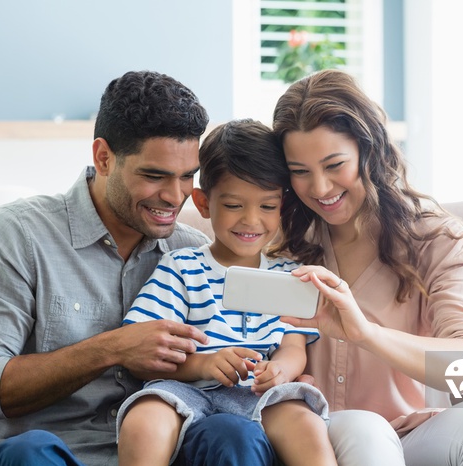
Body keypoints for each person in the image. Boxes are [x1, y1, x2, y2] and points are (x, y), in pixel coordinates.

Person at [0, 71, 279, 466]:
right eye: (154, 176)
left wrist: (283, 374)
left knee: (234, 432)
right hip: (56, 454)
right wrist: (112, 349)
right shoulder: (13, 235)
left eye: (186, 177)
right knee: (26, 453)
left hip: (171, 452)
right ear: (103, 157)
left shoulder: (195, 253)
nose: (175, 197)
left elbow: (261, 341)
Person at [268, 69, 463, 466]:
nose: (321, 188)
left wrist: (367, 334)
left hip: (413, 436)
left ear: (369, 151)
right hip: (321, 438)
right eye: (300, 171)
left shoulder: (435, 238)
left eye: (335, 164)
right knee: (365, 428)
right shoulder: (279, 240)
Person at [116, 119, 336, 466]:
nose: (251, 220)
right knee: (145, 421)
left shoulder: (289, 276)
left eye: (267, 206)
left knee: (306, 425)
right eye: (234, 205)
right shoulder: (181, 266)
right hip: (187, 389)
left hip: (261, 393)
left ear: (282, 206)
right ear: (204, 204)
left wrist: (281, 370)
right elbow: (146, 351)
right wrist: (204, 364)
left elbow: (294, 347)